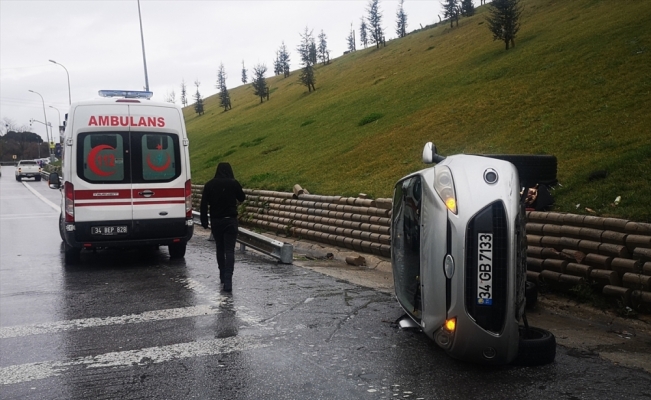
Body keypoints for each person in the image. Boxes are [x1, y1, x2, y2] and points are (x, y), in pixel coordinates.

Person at [200, 162, 245, 292]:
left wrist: (204, 221)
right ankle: (228, 280)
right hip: (230, 220)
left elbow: (203, 205)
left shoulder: (209, 185)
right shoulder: (233, 183)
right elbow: (242, 197)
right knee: (230, 250)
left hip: (216, 221)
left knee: (220, 248)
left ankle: (222, 275)